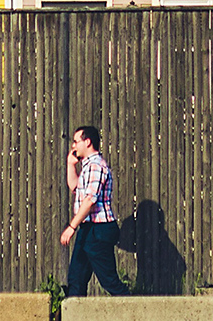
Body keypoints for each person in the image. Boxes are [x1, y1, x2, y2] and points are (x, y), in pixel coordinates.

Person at [60, 124, 127, 297]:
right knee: (76, 278)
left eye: (76, 142)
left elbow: (90, 200)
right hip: (89, 229)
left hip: (100, 230)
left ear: (87, 142)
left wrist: (72, 227)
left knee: (109, 281)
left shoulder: (96, 166)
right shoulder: (87, 167)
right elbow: (75, 187)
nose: (73, 146)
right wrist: (70, 165)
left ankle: (136, 313)